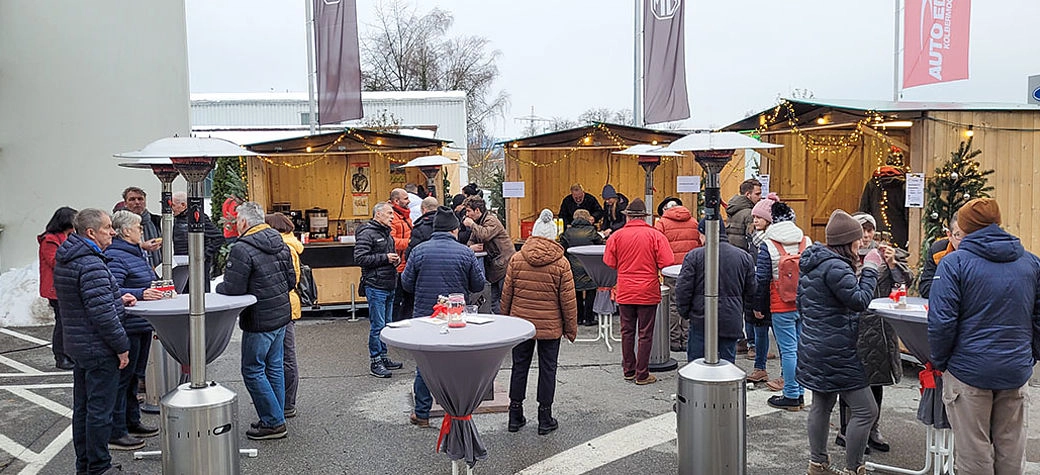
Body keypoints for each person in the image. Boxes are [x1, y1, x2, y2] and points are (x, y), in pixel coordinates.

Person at [928, 198, 1040, 474]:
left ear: (964, 228)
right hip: (1015, 370)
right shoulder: (1031, 263)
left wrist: (942, 362)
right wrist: (1030, 356)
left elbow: (942, 322)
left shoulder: (953, 264)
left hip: (968, 371)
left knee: (973, 455)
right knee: (1012, 450)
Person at [798, 210, 881, 475]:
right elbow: (858, 300)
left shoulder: (814, 264)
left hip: (813, 345)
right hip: (837, 349)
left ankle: (818, 463)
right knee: (866, 410)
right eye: (857, 240)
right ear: (848, 241)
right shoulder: (836, 266)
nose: (861, 244)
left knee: (822, 404)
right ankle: (854, 468)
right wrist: (870, 270)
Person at [54, 209, 136, 473]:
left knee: (83, 409)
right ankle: (99, 466)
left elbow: (86, 301)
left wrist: (116, 299)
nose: (113, 232)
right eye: (108, 227)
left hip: (79, 345)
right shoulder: (91, 263)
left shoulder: (70, 257)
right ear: (91, 232)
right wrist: (122, 347)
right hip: (98, 347)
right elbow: (102, 315)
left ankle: (86, 465)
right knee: (100, 411)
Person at [216, 202, 295, 440]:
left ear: (243, 222)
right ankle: (276, 413)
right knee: (274, 366)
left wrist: (219, 286)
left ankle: (273, 422)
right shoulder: (279, 240)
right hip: (281, 314)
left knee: (252, 369)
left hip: (259, 318)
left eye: (236, 220)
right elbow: (291, 281)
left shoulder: (242, 248)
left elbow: (233, 288)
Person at [401, 206, 486, 427]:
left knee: (425, 364)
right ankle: (457, 411)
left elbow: (406, 284)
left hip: (426, 315)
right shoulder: (465, 252)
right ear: (454, 230)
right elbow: (478, 284)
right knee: (457, 361)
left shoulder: (419, 251)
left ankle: (422, 413)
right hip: (455, 315)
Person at [835, 212, 910, 453]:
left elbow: (904, 284)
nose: (866, 235)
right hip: (856, 327)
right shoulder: (846, 256)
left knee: (877, 381)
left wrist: (893, 265)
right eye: (862, 230)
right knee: (852, 382)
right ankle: (846, 431)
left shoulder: (884, 253)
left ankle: (872, 429)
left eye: (870, 230)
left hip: (880, 329)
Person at [501, 222, 578, 435]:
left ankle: (514, 416)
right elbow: (568, 301)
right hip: (550, 325)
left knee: (519, 367)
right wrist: (571, 329)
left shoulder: (517, 259)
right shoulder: (561, 263)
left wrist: (505, 321)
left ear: (533, 234)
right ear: (553, 236)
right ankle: (545, 418)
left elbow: (507, 294)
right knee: (548, 369)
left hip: (521, 325)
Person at [105, 211, 163, 447]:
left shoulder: (135, 252)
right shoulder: (116, 256)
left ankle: (132, 420)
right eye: (138, 227)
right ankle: (117, 430)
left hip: (141, 323)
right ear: (126, 231)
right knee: (124, 379)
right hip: (128, 324)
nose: (142, 230)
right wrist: (141, 293)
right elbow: (113, 288)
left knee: (134, 377)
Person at [603, 198, 672, 385]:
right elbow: (667, 261)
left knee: (626, 331)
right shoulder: (655, 235)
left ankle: (628, 370)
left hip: (625, 288)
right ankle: (642, 374)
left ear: (628, 217)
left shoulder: (616, 236)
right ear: (644, 217)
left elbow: (609, 262)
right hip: (648, 289)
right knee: (645, 333)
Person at [754, 202, 811, 401]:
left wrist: (758, 307)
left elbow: (761, 279)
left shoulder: (768, 245)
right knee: (800, 348)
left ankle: (791, 394)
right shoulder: (806, 241)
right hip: (804, 302)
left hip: (780, 303)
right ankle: (801, 391)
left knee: (788, 350)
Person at [674, 224, 756, 363]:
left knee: (697, 364)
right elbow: (751, 291)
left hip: (701, 317)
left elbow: (683, 290)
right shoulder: (744, 257)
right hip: (731, 317)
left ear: (703, 233)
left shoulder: (695, 256)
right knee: (727, 364)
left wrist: (685, 313)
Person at [354, 202, 404, 378]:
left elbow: (386, 257)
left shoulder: (387, 234)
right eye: (389, 213)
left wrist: (394, 260)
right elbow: (359, 258)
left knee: (386, 324)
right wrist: (385, 257)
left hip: (389, 283)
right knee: (377, 325)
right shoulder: (367, 233)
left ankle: (383, 356)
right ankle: (375, 360)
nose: (392, 217)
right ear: (378, 214)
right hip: (375, 285)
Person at [265, 213, 304, 418]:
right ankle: (284, 401)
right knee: (283, 354)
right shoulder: (289, 244)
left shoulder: (285, 247)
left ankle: (287, 403)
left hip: (285, 304)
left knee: (286, 355)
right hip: (288, 303)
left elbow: (290, 279)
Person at [654, 197, 701, 352]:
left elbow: (657, 247)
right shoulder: (694, 221)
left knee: (673, 305)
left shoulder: (661, 223)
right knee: (690, 303)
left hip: (670, 270)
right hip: (691, 269)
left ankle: (674, 341)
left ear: (665, 210)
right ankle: (688, 339)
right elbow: (700, 244)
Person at [743, 195, 778, 383]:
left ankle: (784, 374)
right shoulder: (753, 238)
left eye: (759, 217)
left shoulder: (771, 240)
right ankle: (759, 367)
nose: (755, 220)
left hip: (770, 290)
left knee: (779, 333)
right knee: (760, 331)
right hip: (756, 287)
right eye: (754, 217)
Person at [39, 206, 78, 370]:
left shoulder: (67, 237)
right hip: (55, 288)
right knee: (62, 323)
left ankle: (68, 354)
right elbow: (55, 261)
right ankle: (60, 356)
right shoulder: (50, 240)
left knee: (67, 323)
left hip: (64, 286)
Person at [462, 196, 515, 314]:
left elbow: (484, 235)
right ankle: (499, 321)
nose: (467, 215)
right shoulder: (479, 222)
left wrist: (471, 225)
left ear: (477, 210)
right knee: (492, 300)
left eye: (468, 211)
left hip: (504, 264)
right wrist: (471, 247)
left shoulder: (491, 220)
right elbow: (471, 241)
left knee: (504, 298)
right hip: (494, 267)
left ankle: (508, 322)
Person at [171, 191, 225, 290]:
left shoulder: (199, 217)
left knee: (200, 289)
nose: (171, 209)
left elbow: (218, 238)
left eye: (173, 205)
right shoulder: (177, 219)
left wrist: (204, 254)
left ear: (183, 205)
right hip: (181, 263)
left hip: (198, 263)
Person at [559, 209, 604, 327]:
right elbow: (600, 244)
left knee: (577, 293)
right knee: (590, 291)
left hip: (573, 266)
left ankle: (578, 318)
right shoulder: (591, 230)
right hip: (589, 266)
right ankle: (589, 318)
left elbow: (562, 248)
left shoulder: (568, 232)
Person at [918, 214, 962, 298]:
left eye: (967, 235)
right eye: (958, 235)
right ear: (949, 235)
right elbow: (925, 286)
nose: (964, 241)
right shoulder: (938, 250)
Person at [122, 186, 163, 267]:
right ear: (125, 203)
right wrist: (142, 247)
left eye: (140, 199)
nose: (137, 202)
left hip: (157, 268)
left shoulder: (156, 220)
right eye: (132, 199)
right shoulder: (120, 223)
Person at [389, 188, 413, 321]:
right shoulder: (392, 217)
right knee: (396, 302)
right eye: (406, 199)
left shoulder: (405, 216)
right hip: (397, 267)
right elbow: (391, 241)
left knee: (408, 301)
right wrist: (409, 243)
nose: (408, 201)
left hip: (406, 265)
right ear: (396, 201)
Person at [725, 178, 762, 253]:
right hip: (744, 255)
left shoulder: (733, 208)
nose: (760, 197)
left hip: (731, 252)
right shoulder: (750, 213)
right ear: (748, 194)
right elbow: (753, 241)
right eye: (757, 194)